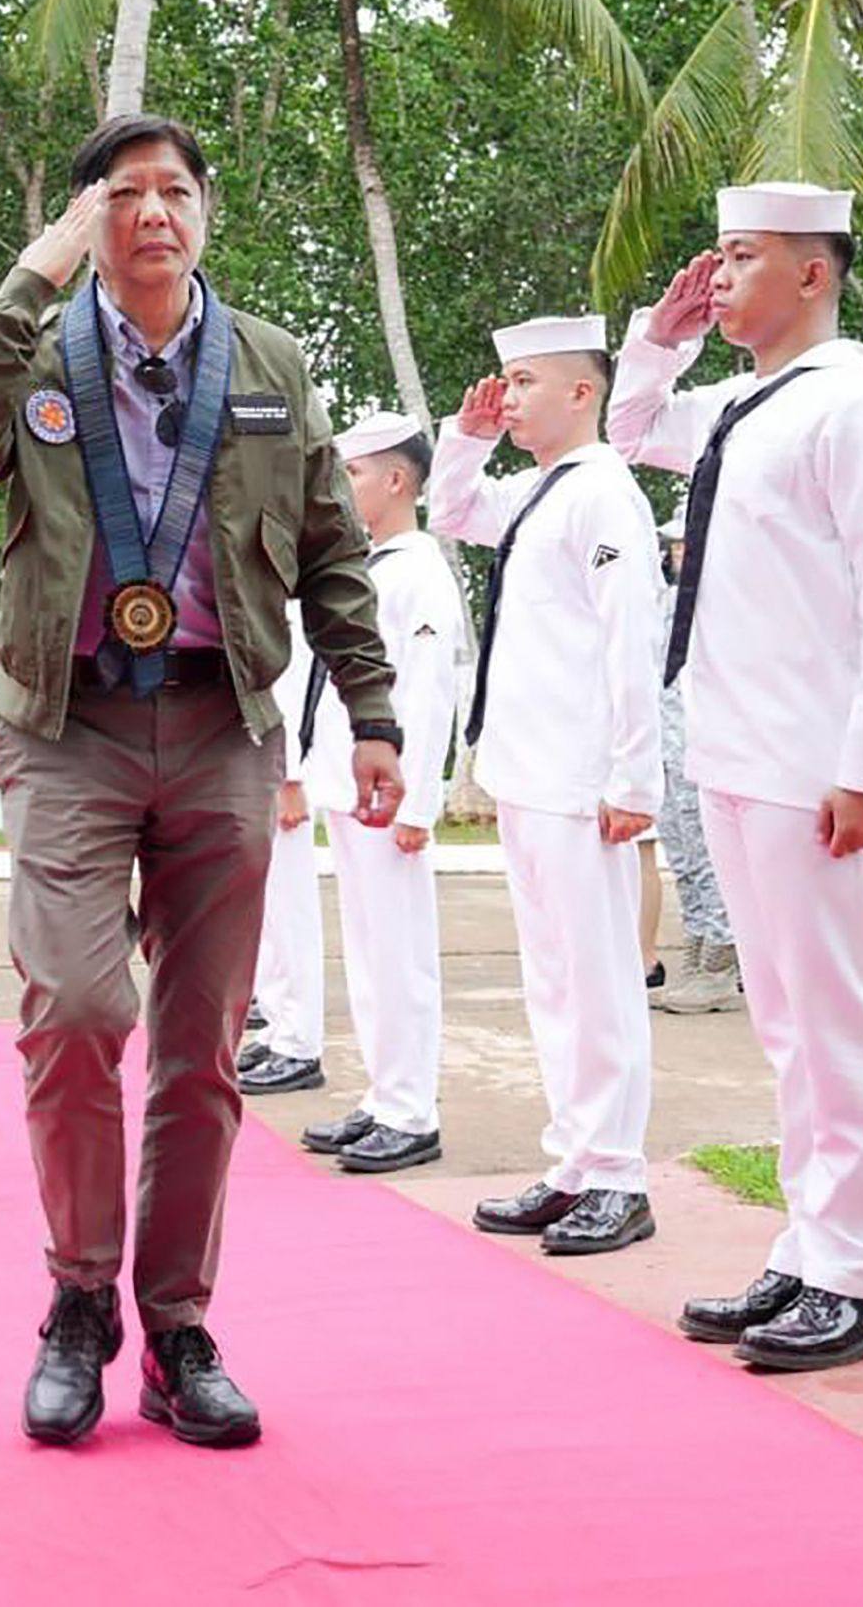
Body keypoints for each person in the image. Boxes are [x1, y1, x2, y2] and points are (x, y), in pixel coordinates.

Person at [0, 113, 406, 1452]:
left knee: (202, 1052)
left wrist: (371, 711)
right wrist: (29, 281)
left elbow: (330, 545)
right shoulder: (36, 355)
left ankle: (178, 1328)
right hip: (68, 730)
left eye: (174, 192)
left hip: (219, 726)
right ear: (88, 222)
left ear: (205, 217)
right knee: (74, 1009)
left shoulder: (268, 364)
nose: (152, 215)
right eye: (122, 196)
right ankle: (80, 1300)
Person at [610, 181, 863, 1373]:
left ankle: (860, 1273)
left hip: (817, 761)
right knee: (788, 1020)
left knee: (838, 1014)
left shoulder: (856, 409)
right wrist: (661, 335)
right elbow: (633, 429)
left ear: (815, 274)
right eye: (718, 257)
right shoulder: (745, 404)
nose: (721, 275)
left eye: (743, 258)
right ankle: (811, 1242)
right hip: (738, 750)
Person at [431, 315, 664, 1257]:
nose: (511, 395)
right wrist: (468, 437)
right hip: (530, 775)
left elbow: (631, 642)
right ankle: (574, 1160)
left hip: (582, 776)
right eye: (506, 381)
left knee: (600, 981)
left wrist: (633, 773)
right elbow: (449, 512)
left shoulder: (606, 495)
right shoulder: (537, 493)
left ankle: (618, 1173)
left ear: (583, 392)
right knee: (555, 982)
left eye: (526, 382)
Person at [292, 411, 462, 1175]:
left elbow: (426, 696)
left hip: (388, 801)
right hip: (350, 790)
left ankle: (410, 1110)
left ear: (396, 480)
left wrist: (419, 803)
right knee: (367, 954)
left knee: (399, 956)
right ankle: (384, 1094)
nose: (340, 487)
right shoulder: (373, 565)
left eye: (352, 474)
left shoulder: (419, 568)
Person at [648, 516, 741, 1014]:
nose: (680, 554)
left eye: (688, 544)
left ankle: (721, 965)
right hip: (666, 743)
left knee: (709, 860)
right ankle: (696, 954)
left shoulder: (722, 603)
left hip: (703, 744)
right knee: (683, 859)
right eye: (675, 546)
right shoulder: (665, 601)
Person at [238, 608, 328, 1096]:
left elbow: (293, 682)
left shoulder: (290, 586)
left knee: (289, 915)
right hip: (256, 759)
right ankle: (277, 1027)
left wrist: (290, 776)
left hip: (281, 769)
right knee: (268, 913)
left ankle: (297, 1042)